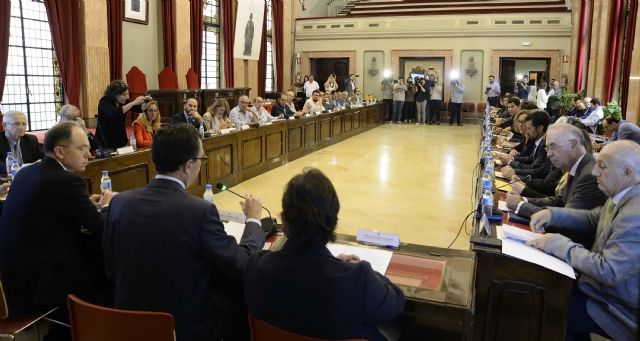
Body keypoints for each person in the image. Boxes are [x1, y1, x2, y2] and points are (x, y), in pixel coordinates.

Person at [103, 123, 265, 341]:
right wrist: (254, 220)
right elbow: (242, 264)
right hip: (181, 328)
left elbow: (110, 266)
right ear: (189, 165)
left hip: (128, 323)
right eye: (201, 159)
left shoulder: (119, 202)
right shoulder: (200, 211)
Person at [244, 168, 405, 341]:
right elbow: (396, 301)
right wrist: (360, 269)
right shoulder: (358, 279)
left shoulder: (256, 268)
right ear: (333, 220)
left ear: (284, 218)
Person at [0, 121, 113, 340]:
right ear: (60, 152)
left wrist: (87, 205)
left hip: (13, 274)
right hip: (40, 281)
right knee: (110, 274)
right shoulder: (64, 180)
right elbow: (100, 227)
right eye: (82, 148)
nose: (89, 154)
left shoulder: (28, 172)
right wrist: (107, 205)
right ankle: (69, 333)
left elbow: (51, 211)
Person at [527, 140, 640, 341]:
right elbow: (594, 218)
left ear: (628, 173)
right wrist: (553, 214)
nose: (595, 172)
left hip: (616, 306)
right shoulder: (626, 194)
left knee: (553, 307)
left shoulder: (634, 214)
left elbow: (610, 271)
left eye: (602, 166)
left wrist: (558, 244)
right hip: (599, 290)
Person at [506, 124, 606, 229]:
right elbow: (560, 201)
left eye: (553, 146)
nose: (549, 154)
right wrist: (524, 200)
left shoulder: (589, 174)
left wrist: (521, 206)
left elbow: (568, 219)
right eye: (547, 148)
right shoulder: (578, 166)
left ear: (573, 144)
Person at [97, 80, 148, 149]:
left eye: (127, 94)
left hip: (121, 138)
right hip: (106, 140)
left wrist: (146, 103)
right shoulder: (104, 102)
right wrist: (134, 102)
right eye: (124, 94)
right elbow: (115, 113)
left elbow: (139, 109)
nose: (127, 97)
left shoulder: (124, 101)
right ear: (114, 94)